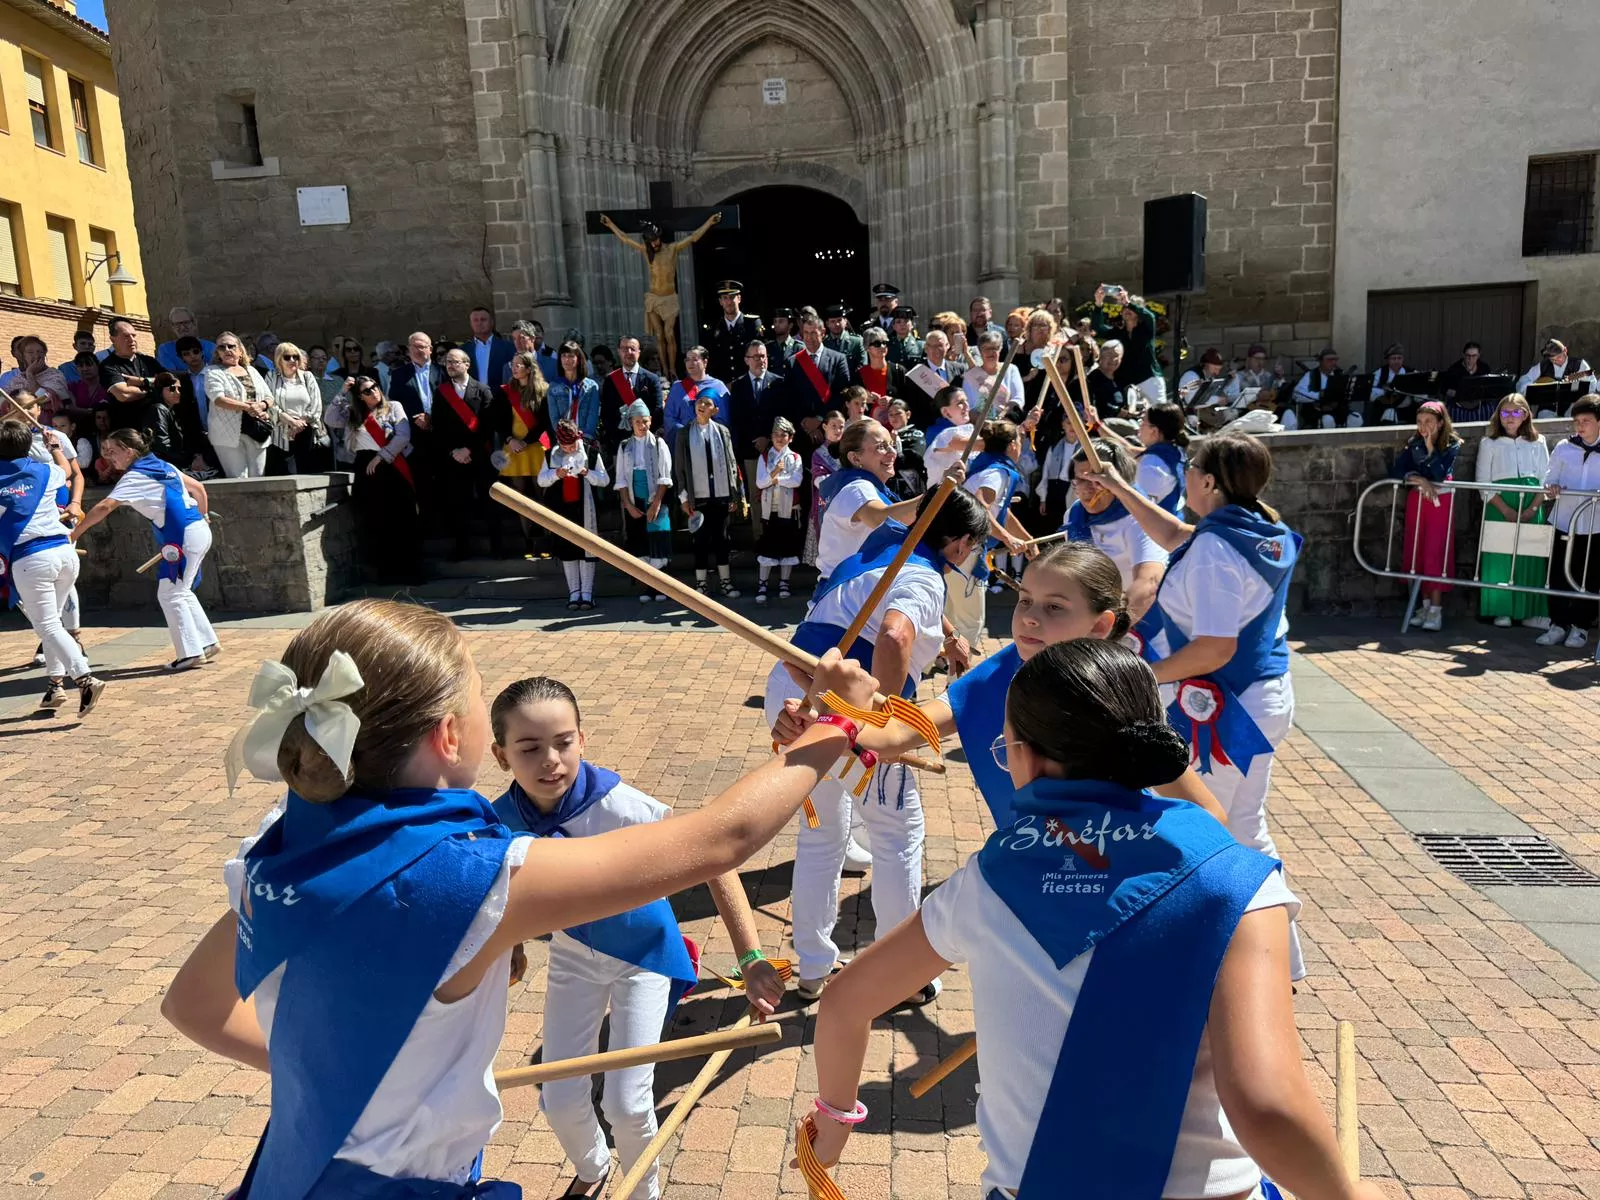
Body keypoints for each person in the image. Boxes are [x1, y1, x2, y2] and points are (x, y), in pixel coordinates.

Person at [160, 596, 878, 1200]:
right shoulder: (468, 878)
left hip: (292, 1171)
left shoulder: (281, 847)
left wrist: (343, 1080)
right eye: (480, 695)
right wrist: (837, 723)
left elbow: (193, 1005)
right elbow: (723, 839)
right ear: (452, 735)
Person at [805, 641, 1373, 1200]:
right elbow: (1267, 1107)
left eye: (1004, 749)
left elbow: (845, 1001)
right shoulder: (1238, 881)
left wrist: (834, 1121)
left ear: (1025, 759)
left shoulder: (988, 882)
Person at [487, 676, 784, 1200]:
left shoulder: (621, 806)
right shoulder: (500, 819)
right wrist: (511, 943)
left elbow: (714, 858)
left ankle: (643, 1192)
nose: (551, 760)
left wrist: (752, 955)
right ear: (501, 755)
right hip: (575, 955)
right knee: (558, 1097)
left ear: (583, 740)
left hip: (644, 957)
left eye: (563, 742)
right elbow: (507, 882)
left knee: (626, 1104)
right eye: (529, 748)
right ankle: (593, 1167)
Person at [1092, 431, 1307, 979]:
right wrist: (1119, 485)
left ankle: (1219, 961)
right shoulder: (1256, 529)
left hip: (1229, 707)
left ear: (1209, 482)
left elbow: (1216, 647)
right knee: (1243, 827)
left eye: (1191, 468)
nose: (1184, 474)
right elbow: (1175, 534)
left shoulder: (1215, 550)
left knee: (1206, 829)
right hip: (1257, 698)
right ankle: (1278, 960)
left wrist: (1141, 675)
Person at [764, 488, 991, 1002]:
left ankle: (813, 968)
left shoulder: (885, 541)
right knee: (897, 834)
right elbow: (893, 635)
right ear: (959, 544)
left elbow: (894, 602)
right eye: (973, 546)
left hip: (794, 692)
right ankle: (901, 975)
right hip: (846, 713)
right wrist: (881, 721)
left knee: (821, 834)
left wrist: (947, 635)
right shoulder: (925, 577)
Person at [72, 428, 218, 672]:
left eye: (113, 451)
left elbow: (105, 507)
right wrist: (203, 517)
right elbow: (198, 489)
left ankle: (191, 653)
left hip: (183, 536)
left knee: (171, 594)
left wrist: (74, 534)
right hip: (196, 530)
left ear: (129, 451)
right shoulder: (163, 466)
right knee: (179, 591)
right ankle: (206, 642)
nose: (108, 457)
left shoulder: (134, 477)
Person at [0, 420, 104, 714]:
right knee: (52, 624)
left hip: (31, 559)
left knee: (47, 625)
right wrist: (55, 446)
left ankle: (85, 679)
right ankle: (54, 686)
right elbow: (68, 470)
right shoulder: (46, 471)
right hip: (64, 552)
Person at [598, 211, 722, 375]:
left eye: (655, 239)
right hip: (654, 298)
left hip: (669, 298)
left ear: (659, 237)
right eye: (651, 240)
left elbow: (693, 237)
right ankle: (664, 369)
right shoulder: (647, 251)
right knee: (659, 335)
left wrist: (710, 222)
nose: (654, 243)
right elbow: (626, 239)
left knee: (669, 333)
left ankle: (672, 368)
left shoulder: (671, 249)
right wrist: (610, 225)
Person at [324, 376, 420, 584]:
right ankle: (386, 572)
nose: (374, 392)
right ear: (360, 396)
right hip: (366, 466)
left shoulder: (393, 406)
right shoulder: (353, 412)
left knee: (403, 517)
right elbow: (330, 419)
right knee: (376, 518)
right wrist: (342, 391)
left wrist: (381, 457)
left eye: (375, 387)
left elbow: (403, 436)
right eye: (367, 391)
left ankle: (411, 571)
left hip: (392, 463)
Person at [1064, 439, 1168, 622]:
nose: (1086, 488)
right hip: (1094, 618)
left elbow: (1149, 582)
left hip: (1140, 620)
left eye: (1096, 480)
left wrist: (1112, 627)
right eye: (1079, 480)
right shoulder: (1074, 515)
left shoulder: (1140, 518)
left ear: (1116, 481)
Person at [1475, 392, 1551, 629]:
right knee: (1500, 558)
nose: (1510, 417)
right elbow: (1483, 482)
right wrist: (1506, 510)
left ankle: (1529, 611)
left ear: (1525, 415)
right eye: (1505, 412)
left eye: (1516, 412)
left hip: (1532, 504)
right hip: (1500, 505)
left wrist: (1533, 507)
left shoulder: (1538, 441)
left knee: (1530, 557)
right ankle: (1502, 609)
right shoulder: (1489, 443)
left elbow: (1546, 478)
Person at [1389, 401, 1462, 632]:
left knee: (1434, 551)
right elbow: (1398, 470)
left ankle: (1436, 609)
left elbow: (1440, 474)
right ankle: (1425, 605)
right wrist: (1419, 479)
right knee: (1417, 550)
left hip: (1439, 502)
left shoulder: (1452, 445)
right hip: (1419, 499)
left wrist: (1431, 449)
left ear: (1440, 423)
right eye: (1420, 422)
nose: (1423, 426)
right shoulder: (1413, 444)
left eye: (1429, 421)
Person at [1539, 396, 1600, 650]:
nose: (1580, 426)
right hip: (1564, 521)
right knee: (1558, 573)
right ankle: (1558, 624)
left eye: (1586, 421)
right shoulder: (1564, 447)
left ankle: (1581, 626)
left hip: (1595, 525)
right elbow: (1549, 477)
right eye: (1577, 421)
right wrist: (1551, 487)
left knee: (1589, 575)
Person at [673, 389, 742, 597]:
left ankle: (725, 582)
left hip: (721, 495)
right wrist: (684, 497)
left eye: (707, 403)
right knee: (700, 540)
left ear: (715, 410)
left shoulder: (722, 431)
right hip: (698, 497)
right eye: (699, 402)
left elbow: (731, 462)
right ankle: (701, 583)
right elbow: (680, 468)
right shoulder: (685, 433)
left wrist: (734, 493)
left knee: (722, 538)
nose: (702, 406)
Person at [537, 419, 610, 610]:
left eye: (572, 446)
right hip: (563, 510)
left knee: (587, 550)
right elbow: (541, 480)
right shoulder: (551, 455)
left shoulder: (591, 453)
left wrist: (586, 472)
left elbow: (604, 480)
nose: (569, 450)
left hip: (584, 508)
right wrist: (556, 474)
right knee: (567, 551)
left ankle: (587, 594)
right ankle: (574, 593)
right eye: (565, 447)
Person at [437, 347, 499, 560]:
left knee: (490, 501)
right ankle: (462, 548)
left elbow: (488, 425)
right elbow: (439, 426)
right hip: (455, 457)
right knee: (458, 504)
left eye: (455, 362)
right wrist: (454, 450)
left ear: (467, 364)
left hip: (479, 454)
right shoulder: (441, 391)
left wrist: (469, 449)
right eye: (448, 362)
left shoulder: (482, 390)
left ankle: (497, 547)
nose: (450, 366)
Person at [614, 400, 674, 602]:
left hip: (656, 498)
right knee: (640, 542)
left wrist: (656, 503)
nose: (642, 425)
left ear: (651, 421)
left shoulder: (658, 443)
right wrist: (628, 505)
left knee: (658, 540)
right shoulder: (625, 446)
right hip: (635, 500)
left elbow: (664, 477)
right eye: (638, 422)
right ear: (631, 423)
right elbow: (621, 479)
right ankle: (648, 586)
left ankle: (663, 587)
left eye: (645, 421)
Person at [495, 350, 548, 557]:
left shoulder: (542, 390)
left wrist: (526, 441)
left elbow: (544, 422)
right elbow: (499, 421)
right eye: (513, 364)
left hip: (536, 447)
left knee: (542, 494)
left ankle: (546, 540)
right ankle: (528, 542)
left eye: (518, 364)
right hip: (514, 449)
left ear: (529, 368)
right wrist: (510, 439)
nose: (514, 368)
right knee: (520, 497)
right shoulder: (505, 391)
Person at [203, 332, 274, 478]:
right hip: (227, 433)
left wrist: (261, 406)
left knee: (258, 476)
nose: (227, 350)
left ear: (240, 351)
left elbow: (269, 397)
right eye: (222, 347)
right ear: (217, 353)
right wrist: (248, 407)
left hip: (256, 429)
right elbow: (218, 399)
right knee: (238, 478)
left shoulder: (252, 370)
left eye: (231, 346)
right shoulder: (212, 372)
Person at [753, 417, 804, 602]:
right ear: (771, 437)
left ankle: (784, 583)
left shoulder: (795, 457)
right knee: (768, 548)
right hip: (770, 510)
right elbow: (760, 483)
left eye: (784, 435)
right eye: (776, 435)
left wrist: (775, 480)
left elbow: (796, 481)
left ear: (790, 437)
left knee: (787, 548)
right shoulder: (765, 457)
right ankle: (763, 583)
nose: (780, 439)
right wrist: (774, 473)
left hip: (789, 509)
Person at [264, 342, 329, 475]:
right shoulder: (271, 376)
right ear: (279, 359)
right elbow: (269, 402)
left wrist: (299, 424)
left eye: (296, 357)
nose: (292, 360)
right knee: (280, 474)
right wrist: (290, 420)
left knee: (307, 473)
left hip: (306, 431)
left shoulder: (307, 376)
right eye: (287, 357)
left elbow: (316, 405)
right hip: (280, 434)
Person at [785, 308, 851, 435]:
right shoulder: (792, 361)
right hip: (801, 428)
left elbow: (841, 393)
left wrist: (820, 419)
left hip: (830, 426)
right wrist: (805, 422)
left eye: (813, 333)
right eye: (806, 333)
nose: (809, 338)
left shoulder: (838, 359)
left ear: (823, 333)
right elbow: (790, 397)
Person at [99, 316, 166, 432]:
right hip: (129, 430)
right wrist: (154, 389)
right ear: (113, 339)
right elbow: (124, 395)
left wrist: (143, 381)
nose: (132, 340)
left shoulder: (149, 361)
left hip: (158, 427)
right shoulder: (108, 366)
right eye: (126, 336)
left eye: (133, 335)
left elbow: (170, 381)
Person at [599, 335, 663, 453]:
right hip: (619, 443)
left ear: (639, 352)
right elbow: (606, 413)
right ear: (619, 352)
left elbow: (657, 411)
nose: (628, 352)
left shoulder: (651, 379)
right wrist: (617, 434)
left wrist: (642, 432)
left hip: (646, 440)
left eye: (632, 349)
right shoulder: (610, 380)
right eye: (624, 349)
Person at [146, 372, 210, 474]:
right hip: (166, 466)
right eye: (172, 389)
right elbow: (162, 444)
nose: (177, 392)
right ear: (160, 390)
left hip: (174, 463)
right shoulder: (159, 409)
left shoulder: (172, 409)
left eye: (179, 389)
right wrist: (187, 460)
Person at [805, 410, 847, 567]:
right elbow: (819, 480)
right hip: (826, 505)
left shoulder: (849, 451)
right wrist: (841, 479)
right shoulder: (819, 454)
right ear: (824, 427)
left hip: (847, 503)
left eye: (841, 426)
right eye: (833, 426)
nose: (837, 430)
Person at [702, 279, 764, 383]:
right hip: (723, 384)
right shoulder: (714, 327)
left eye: (732, 297)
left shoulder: (751, 324)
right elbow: (710, 360)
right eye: (725, 298)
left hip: (748, 383)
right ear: (720, 301)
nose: (729, 302)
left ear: (739, 298)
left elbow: (759, 356)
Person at [662, 345, 728, 439]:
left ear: (705, 362)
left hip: (710, 439)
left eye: (694, 359)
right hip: (684, 440)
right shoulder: (678, 387)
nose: (690, 363)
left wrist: (704, 431)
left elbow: (724, 418)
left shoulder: (718, 386)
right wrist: (687, 432)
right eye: (687, 359)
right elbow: (669, 417)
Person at [1135, 402, 1188, 514]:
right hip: (1175, 517)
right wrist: (1098, 425)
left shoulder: (1150, 466)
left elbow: (1138, 510)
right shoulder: (1176, 451)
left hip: (1154, 523)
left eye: (1143, 421)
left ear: (1154, 430)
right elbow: (1129, 449)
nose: (1139, 426)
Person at [1113, 293, 1164, 406]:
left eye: (1131, 307)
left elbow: (1150, 316)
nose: (1127, 310)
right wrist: (1098, 303)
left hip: (1149, 380)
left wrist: (1128, 303)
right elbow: (1099, 328)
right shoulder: (1118, 333)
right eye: (1124, 307)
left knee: (1159, 412)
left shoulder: (1146, 328)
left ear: (1139, 312)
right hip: (1128, 383)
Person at [545, 340, 601, 443]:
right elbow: (554, 418)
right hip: (563, 441)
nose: (566, 359)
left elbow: (592, 415)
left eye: (571, 356)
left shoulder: (592, 386)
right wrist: (565, 438)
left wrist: (585, 438)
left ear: (578, 359)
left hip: (585, 440)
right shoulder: (553, 387)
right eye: (563, 356)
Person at [1289, 347, 1358, 429]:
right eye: (1329, 360)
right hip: (1316, 411)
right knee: (1328, 420)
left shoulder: (1340, 374)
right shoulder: (1311, 375)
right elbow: (1296, 394)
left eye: (1335, 360)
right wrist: (1319, 395)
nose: (1333, 362)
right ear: (1321, 361)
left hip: (1338, 410)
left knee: (1356, 419)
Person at [923, 386, 976, 485]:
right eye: (960, 403)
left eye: (966, 401)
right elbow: (962, 443)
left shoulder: (968, 429)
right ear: (945, 412)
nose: (967, 405)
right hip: (942, 490)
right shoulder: (936, 431)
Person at [961, 330, 1024, 413]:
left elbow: (1018, 399)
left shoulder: (1010, 369)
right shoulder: (971, 376)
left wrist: (1004, 414)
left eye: (994, 348)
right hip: (978, 420)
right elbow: (969, 408)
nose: (990, 352)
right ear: (980, 351)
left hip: (1007, 419)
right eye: (986, 348)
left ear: (1000, 349)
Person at [0, 337, 69, 409]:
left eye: (40, 352)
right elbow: (4, 401)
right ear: (23, 357)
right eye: (30, 352)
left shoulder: (55, 375)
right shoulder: (18, 379)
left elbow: (45, 399)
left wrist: (30, 374)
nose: (36, 356)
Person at [1519, 338, 1594, 403]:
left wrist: (1577, 384)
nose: (1556, 361)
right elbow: (1523, 380)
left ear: (1565, 350)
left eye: (1559, 357)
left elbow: (1592, 383)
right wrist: (1534, 388)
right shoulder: (1544, 365)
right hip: (1548, 405)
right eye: (1552, 359)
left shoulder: (1579, 364)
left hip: (1572, 404)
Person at [465, 306, 515, 389]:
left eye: (483, 319)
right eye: (475, 320)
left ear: (492, 322)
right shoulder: (464, 350)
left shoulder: (508, 348)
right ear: (471, 324)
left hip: (500, 394)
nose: (479, 323)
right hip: (473, 395)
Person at [156, 307, 216, 373]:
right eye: (177, 324)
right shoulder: (165, 349)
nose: (182, 327)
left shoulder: (211, 347)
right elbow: (169, 374)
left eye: (186, 323)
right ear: (172, 327)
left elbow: (215, 372)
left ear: (194, 323)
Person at [174, 336, 213, 431]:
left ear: (202, 352)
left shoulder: (216, 374)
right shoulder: (182, 382)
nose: (192, 356)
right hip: (196, 434)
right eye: (186, 354)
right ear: (181, 357)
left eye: (195, 351)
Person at [822, 304, 866, 375]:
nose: (837, 324)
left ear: (845, 321)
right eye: (833, 321)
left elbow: (863, 367)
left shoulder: (857, 342)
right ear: (827, 324)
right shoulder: (824, 344)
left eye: (839, 320)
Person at [886, 305, 924, 370]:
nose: (902, 324)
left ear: (912, 324)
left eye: (906, 321)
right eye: (898, 322)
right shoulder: (887, 345)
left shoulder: (921, 346)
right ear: (893, 326)